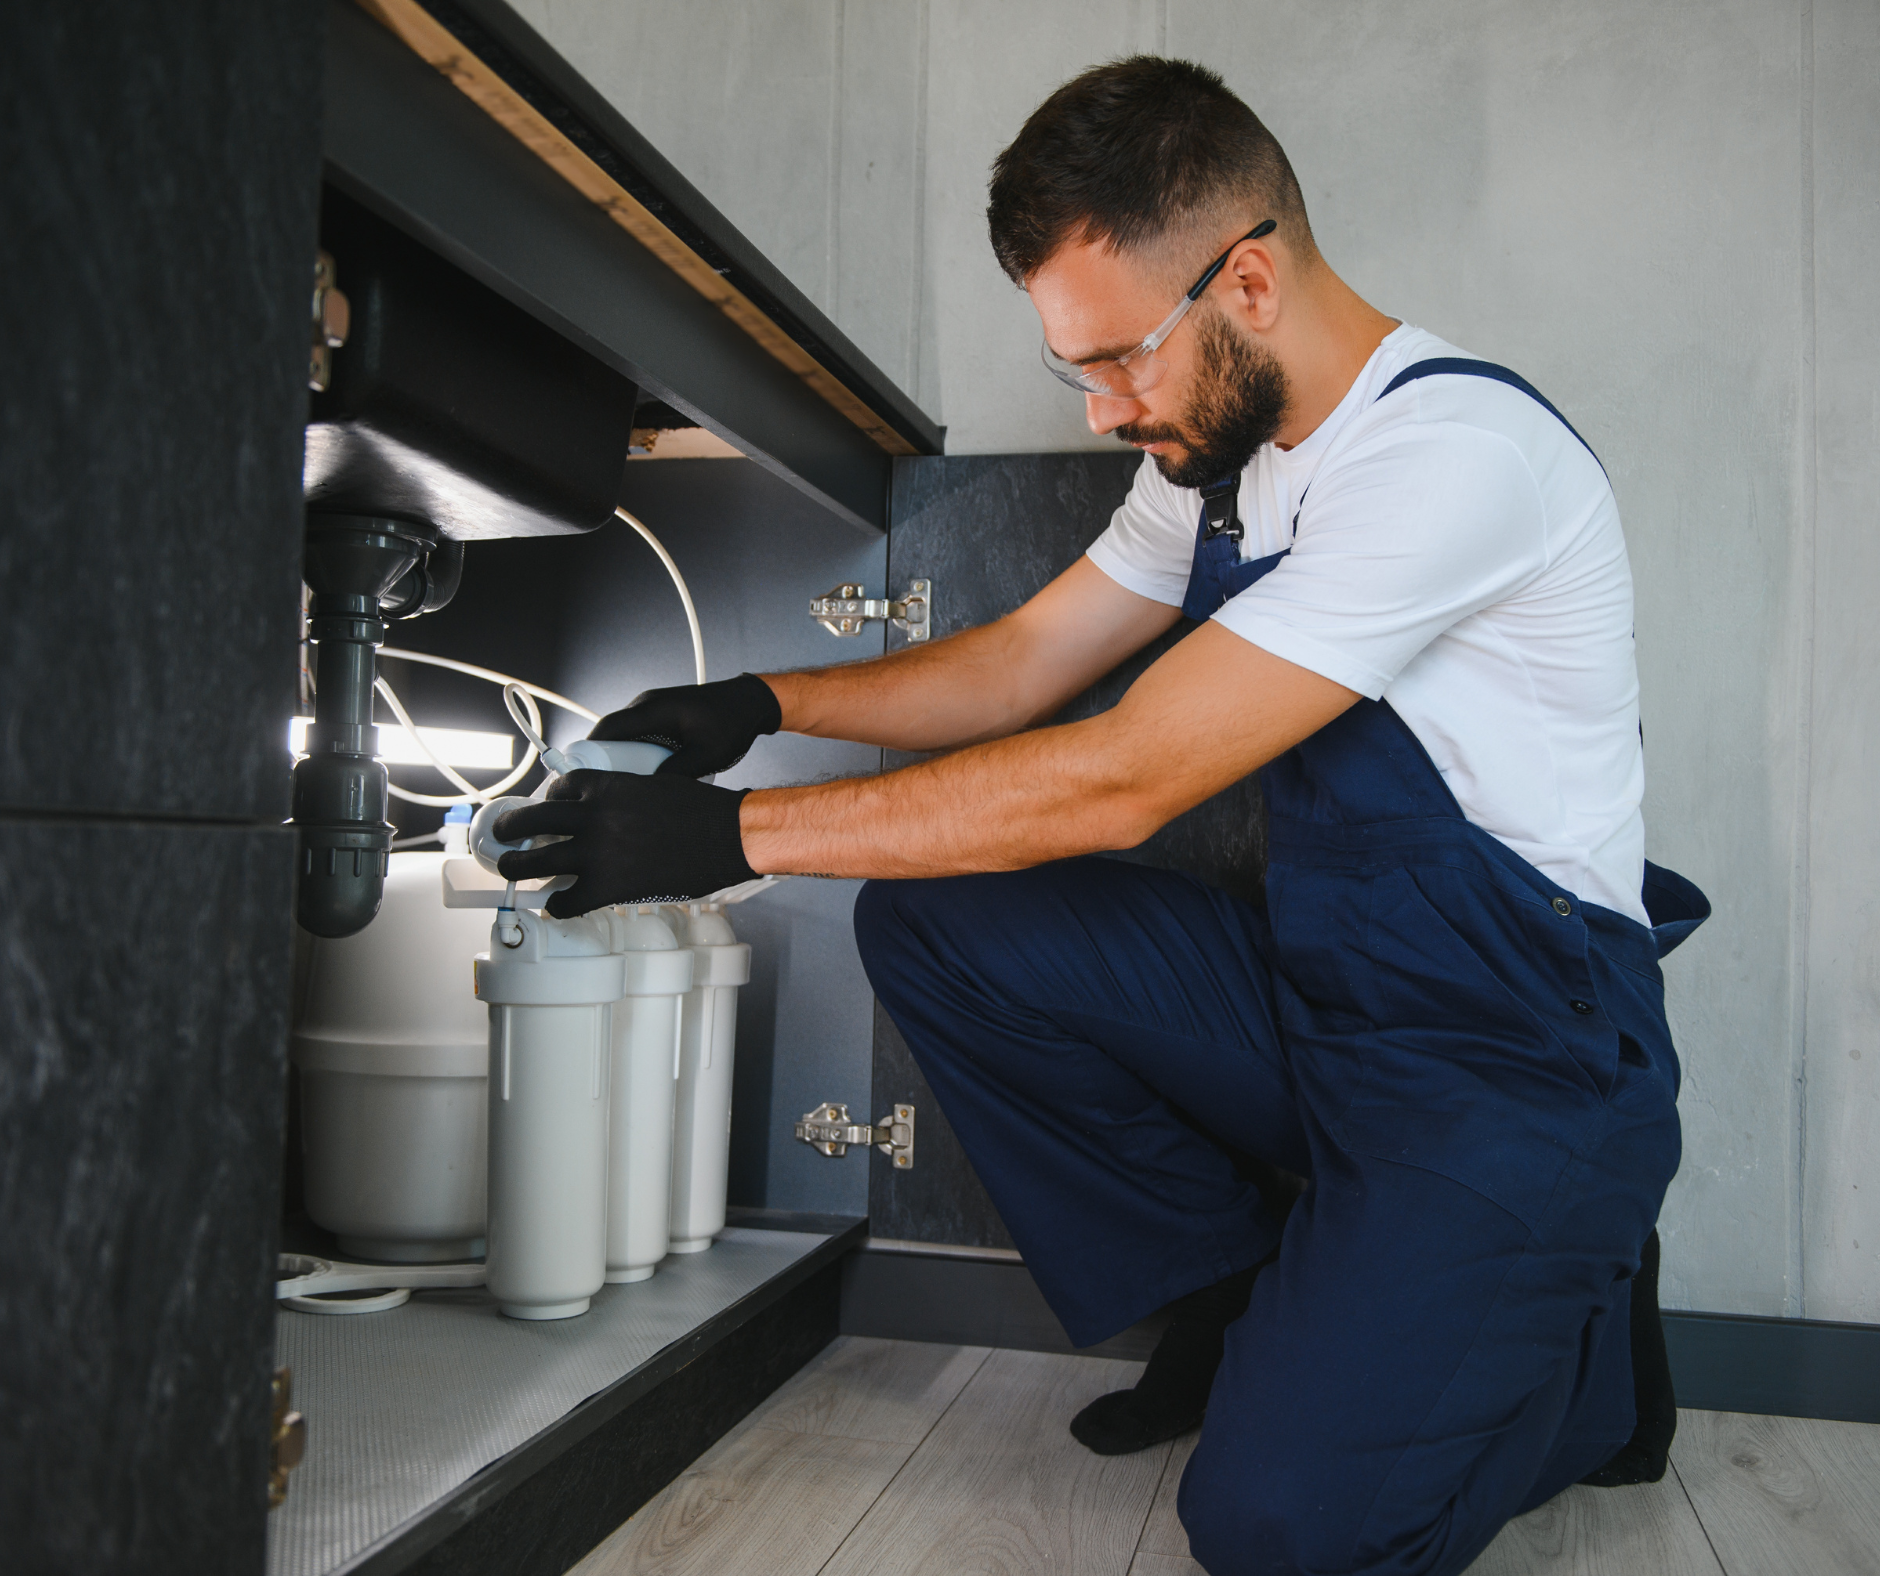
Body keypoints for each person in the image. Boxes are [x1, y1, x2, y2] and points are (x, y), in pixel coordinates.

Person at [493, 56, 1708, 1576]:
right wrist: (757, 700)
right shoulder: (1212, 466)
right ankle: (1237, 1293)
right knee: (934, 923)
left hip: (1511, 1050)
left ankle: (1576, 1332)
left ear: (1247, 281)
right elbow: (1018, 667)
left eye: (1120, 359)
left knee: (1273, 1529)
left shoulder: (1451, 460)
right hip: (1329, 997)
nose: (1107, 405)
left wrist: (732, 840)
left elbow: (1123, 771)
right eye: (1080, 370)